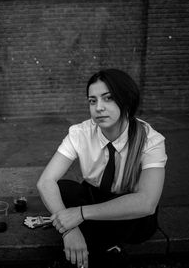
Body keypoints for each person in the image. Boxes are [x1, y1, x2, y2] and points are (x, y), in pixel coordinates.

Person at [37, 69, 167, 268]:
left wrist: (79, 214)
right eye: (92, 101)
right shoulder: (80, 133)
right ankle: (108, 247)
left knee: (131, 213)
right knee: (63, 188)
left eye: (108, 98)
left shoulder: (151, 140)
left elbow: (146, 202)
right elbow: (46, 181)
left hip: (130, 212)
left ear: (127, 100)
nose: (99, 108)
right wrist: (69, 231)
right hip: (94, 196)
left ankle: (96, 250)